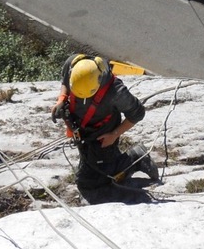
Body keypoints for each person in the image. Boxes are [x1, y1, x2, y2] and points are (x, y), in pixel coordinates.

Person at [51, 54, 156, 191]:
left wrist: (114, 134)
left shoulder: (115, 91)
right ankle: (93, 162)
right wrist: (62, 98)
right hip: (82, 126)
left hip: (103, 132)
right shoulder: (73, 63)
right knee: (88, 171)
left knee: (97, 181)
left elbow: (137, 113)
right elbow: (65, 82)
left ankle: (136, 158)